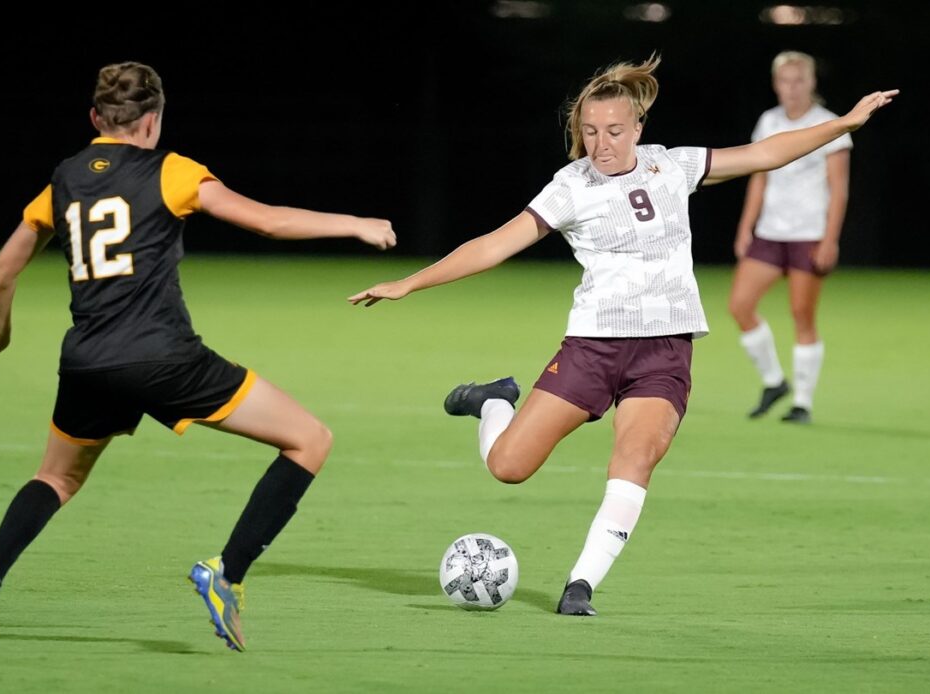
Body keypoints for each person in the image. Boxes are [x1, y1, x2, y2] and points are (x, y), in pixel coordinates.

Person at [349, 54, 895, 616]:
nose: (600, 143)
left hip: (664, 351)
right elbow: (492, 244)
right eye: (588, 132)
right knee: (508, 467)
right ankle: (493, 402)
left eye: (613, 131)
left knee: (634, 457)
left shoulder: (672, 167)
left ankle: (580, 585)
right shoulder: (570, 186)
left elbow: (765, 153)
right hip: (592, 348)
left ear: (637, 128)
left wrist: (844, 125)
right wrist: (409, 283)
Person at [0, 62, 396, 652]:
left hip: (86, 362)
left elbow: (4, 269)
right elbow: (265, 220)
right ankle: (228, 573)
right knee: (309, 439)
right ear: (154, 119)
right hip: (164, 359)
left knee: (55, 477)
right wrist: (354, 223)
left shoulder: (63, 179)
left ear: (95, 119)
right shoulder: (172, 171)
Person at [730, 51, 854, 424]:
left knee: (802, 315)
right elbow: (758, 175)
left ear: (812, 83)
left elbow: (839, 188)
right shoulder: (769, 121)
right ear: (776, 84)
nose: (792, 87)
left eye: (799, 80)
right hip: (770, 232)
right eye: (785, 80)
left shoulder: (829, 125)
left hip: (808, 234)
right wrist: (745, 225)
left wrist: (830, 239)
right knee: (740, 305)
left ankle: (802, 402)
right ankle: (773, 381)